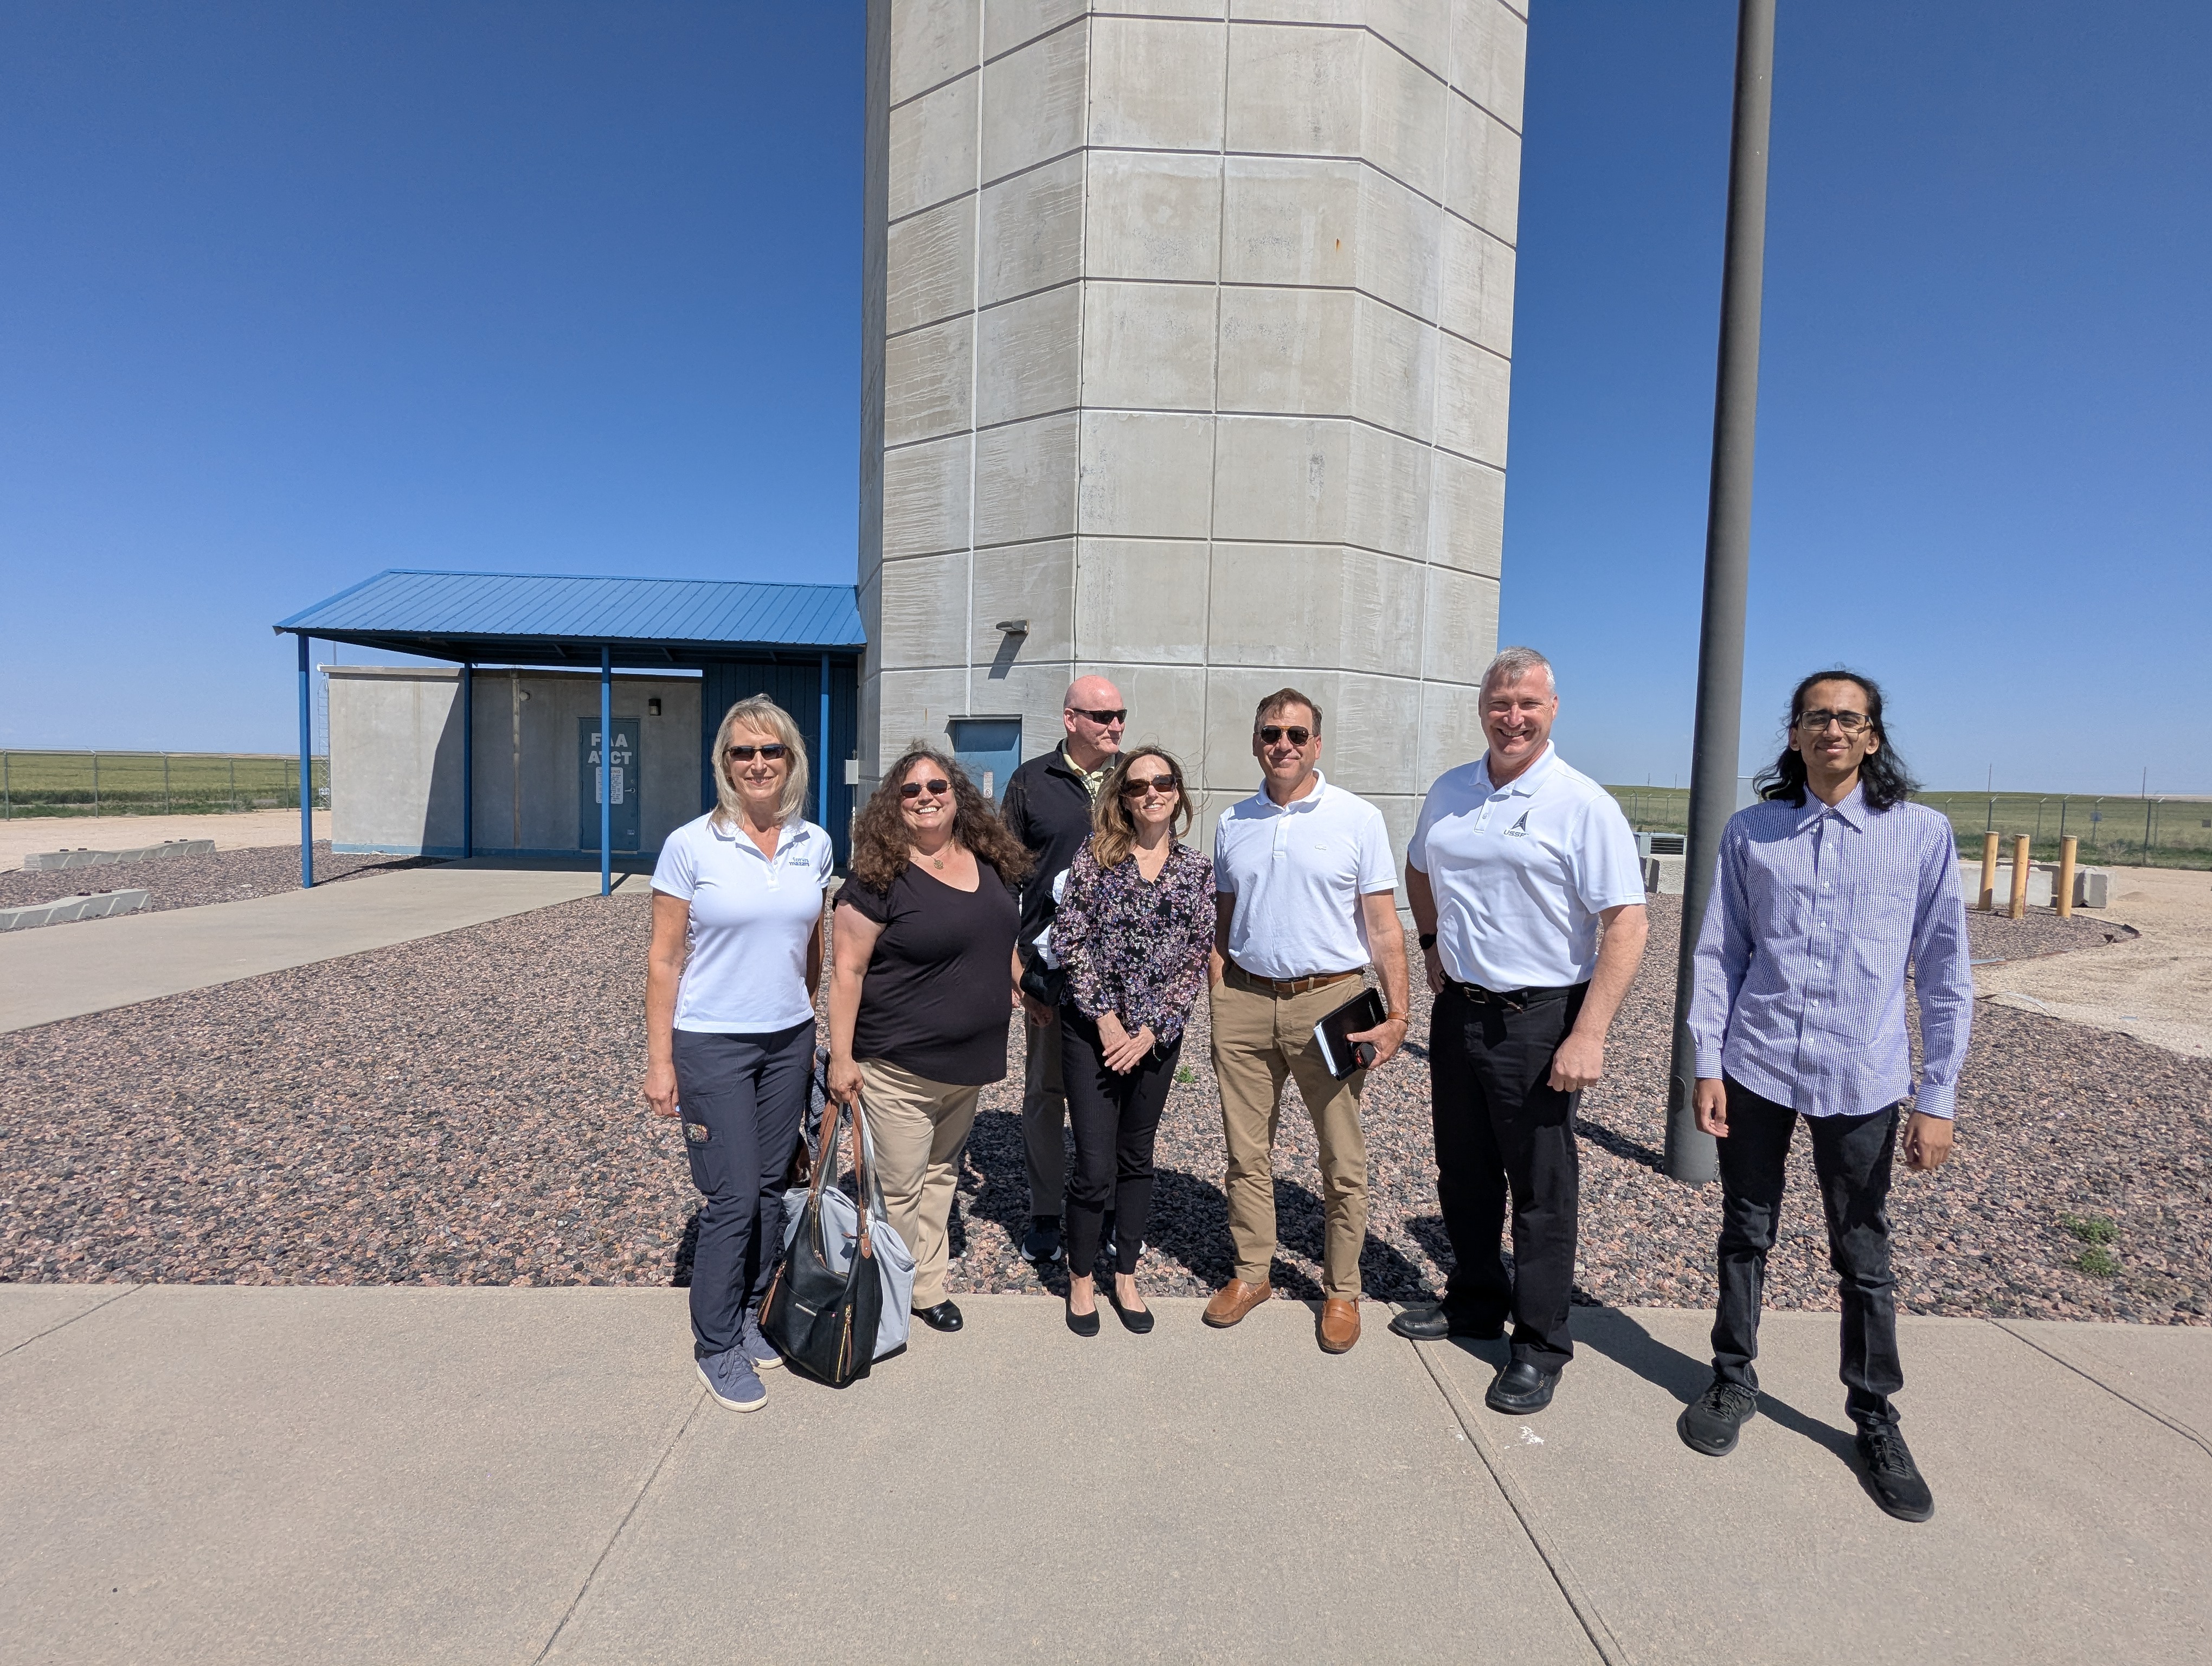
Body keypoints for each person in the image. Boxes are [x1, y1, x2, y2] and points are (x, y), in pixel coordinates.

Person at [1681, 669, 1970, 1523]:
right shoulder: (1754, 832)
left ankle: (1875, 1415)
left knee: (1863, 1254)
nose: (1832, 730)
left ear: (1873, 737)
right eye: (1817, 718)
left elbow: (1947, 972)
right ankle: (1732, 1381)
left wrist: (1938, 1095)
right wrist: (1707, 1063)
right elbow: (1718, 955)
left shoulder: (1920, 835)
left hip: (1862, 1075)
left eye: (1849, 719)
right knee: (1745, 1231)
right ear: (1797, 734)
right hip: (1758, 1065)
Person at [1391, 648, 1649, 1418]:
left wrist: (1591, 1032)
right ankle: (1474, 1298)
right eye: (1501, 703)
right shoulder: (1451, 791)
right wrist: (1433, 946)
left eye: (1528, 704)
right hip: (1461, 1011)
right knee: (1464, 1174)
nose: (1513, 717)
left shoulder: (1580, 802)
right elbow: (1418, 870)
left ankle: (1539, 1343)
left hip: (1541, 1021)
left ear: (1553, 710)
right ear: (1482, 708)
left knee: (1541, 1189)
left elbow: (1627, 924)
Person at [642, 695, 835, 1414]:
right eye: (742, 753)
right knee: (729, 1199)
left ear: (791, 761)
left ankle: (755, 1314)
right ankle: (716, 1343)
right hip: (711, 1041)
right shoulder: (691, 846)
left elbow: (811, 948)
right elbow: (664, 961)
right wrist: (660, 1062)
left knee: (766, 1190)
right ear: (724, 763)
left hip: (787, 1038)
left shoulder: (813, 844)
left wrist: (805, 1021)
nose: (758, 764)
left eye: (771, 751)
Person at [1205, 689, 1411, 1354]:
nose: (1284, 745)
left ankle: (1342, 1291)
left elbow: (1383, 925)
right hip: (1244, 1001)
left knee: (1342, 1159)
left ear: (1317, 743)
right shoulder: (1235, 821)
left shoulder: (1357, 818)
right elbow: (1223, 920)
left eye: (1297, 734)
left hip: (1331, 1003)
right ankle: (1252, 1274)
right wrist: (1219, 989)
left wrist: (1399, 1013)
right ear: (1256, 741)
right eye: (1272, 733)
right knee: (1246, 1154)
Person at [827, 748, 1032, 1335]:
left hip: (966, 1068)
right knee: (897, 1188)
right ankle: (886, 1298)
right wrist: (841, 1059)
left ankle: (922, 1286)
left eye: (936, 785)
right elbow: (847, 972)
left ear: (956, 792)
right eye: (910, 790)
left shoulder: (987, 862)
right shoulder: (877, 877)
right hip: (898, 1065)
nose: (925, 797)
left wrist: (1024, 986)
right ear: (894, 804)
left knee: (941, 1175)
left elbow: (998, 946)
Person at [1050, 746, 1214, 1336]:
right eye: (1139, 784)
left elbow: (1197, 957)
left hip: (1155, 1040)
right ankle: (1081, 1277)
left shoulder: (1196, 870)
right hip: (1093, 1034)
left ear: (1178, 791)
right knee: (1095, 1166)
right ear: (1122, 796)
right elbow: (1071, 940)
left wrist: (1149, 1031)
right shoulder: (1096, 858)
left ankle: (1125, 1274)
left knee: (1136, 1159)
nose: (1153, 792)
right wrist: (1107, 1021)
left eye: (1163, 782)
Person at [1000, 676, 1127, 1268]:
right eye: (1101, 716)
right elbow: (1003, 878)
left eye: (1120, 715)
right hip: (1050, 968)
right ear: (1070, 719)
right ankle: (1046, 1210)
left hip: (1124, 971)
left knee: (1114, 1092)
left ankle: (1104, 1208)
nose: (1114, 726)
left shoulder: (1138, 780)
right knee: (1047, 1094)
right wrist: (1014, 968)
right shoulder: (1031, 781)